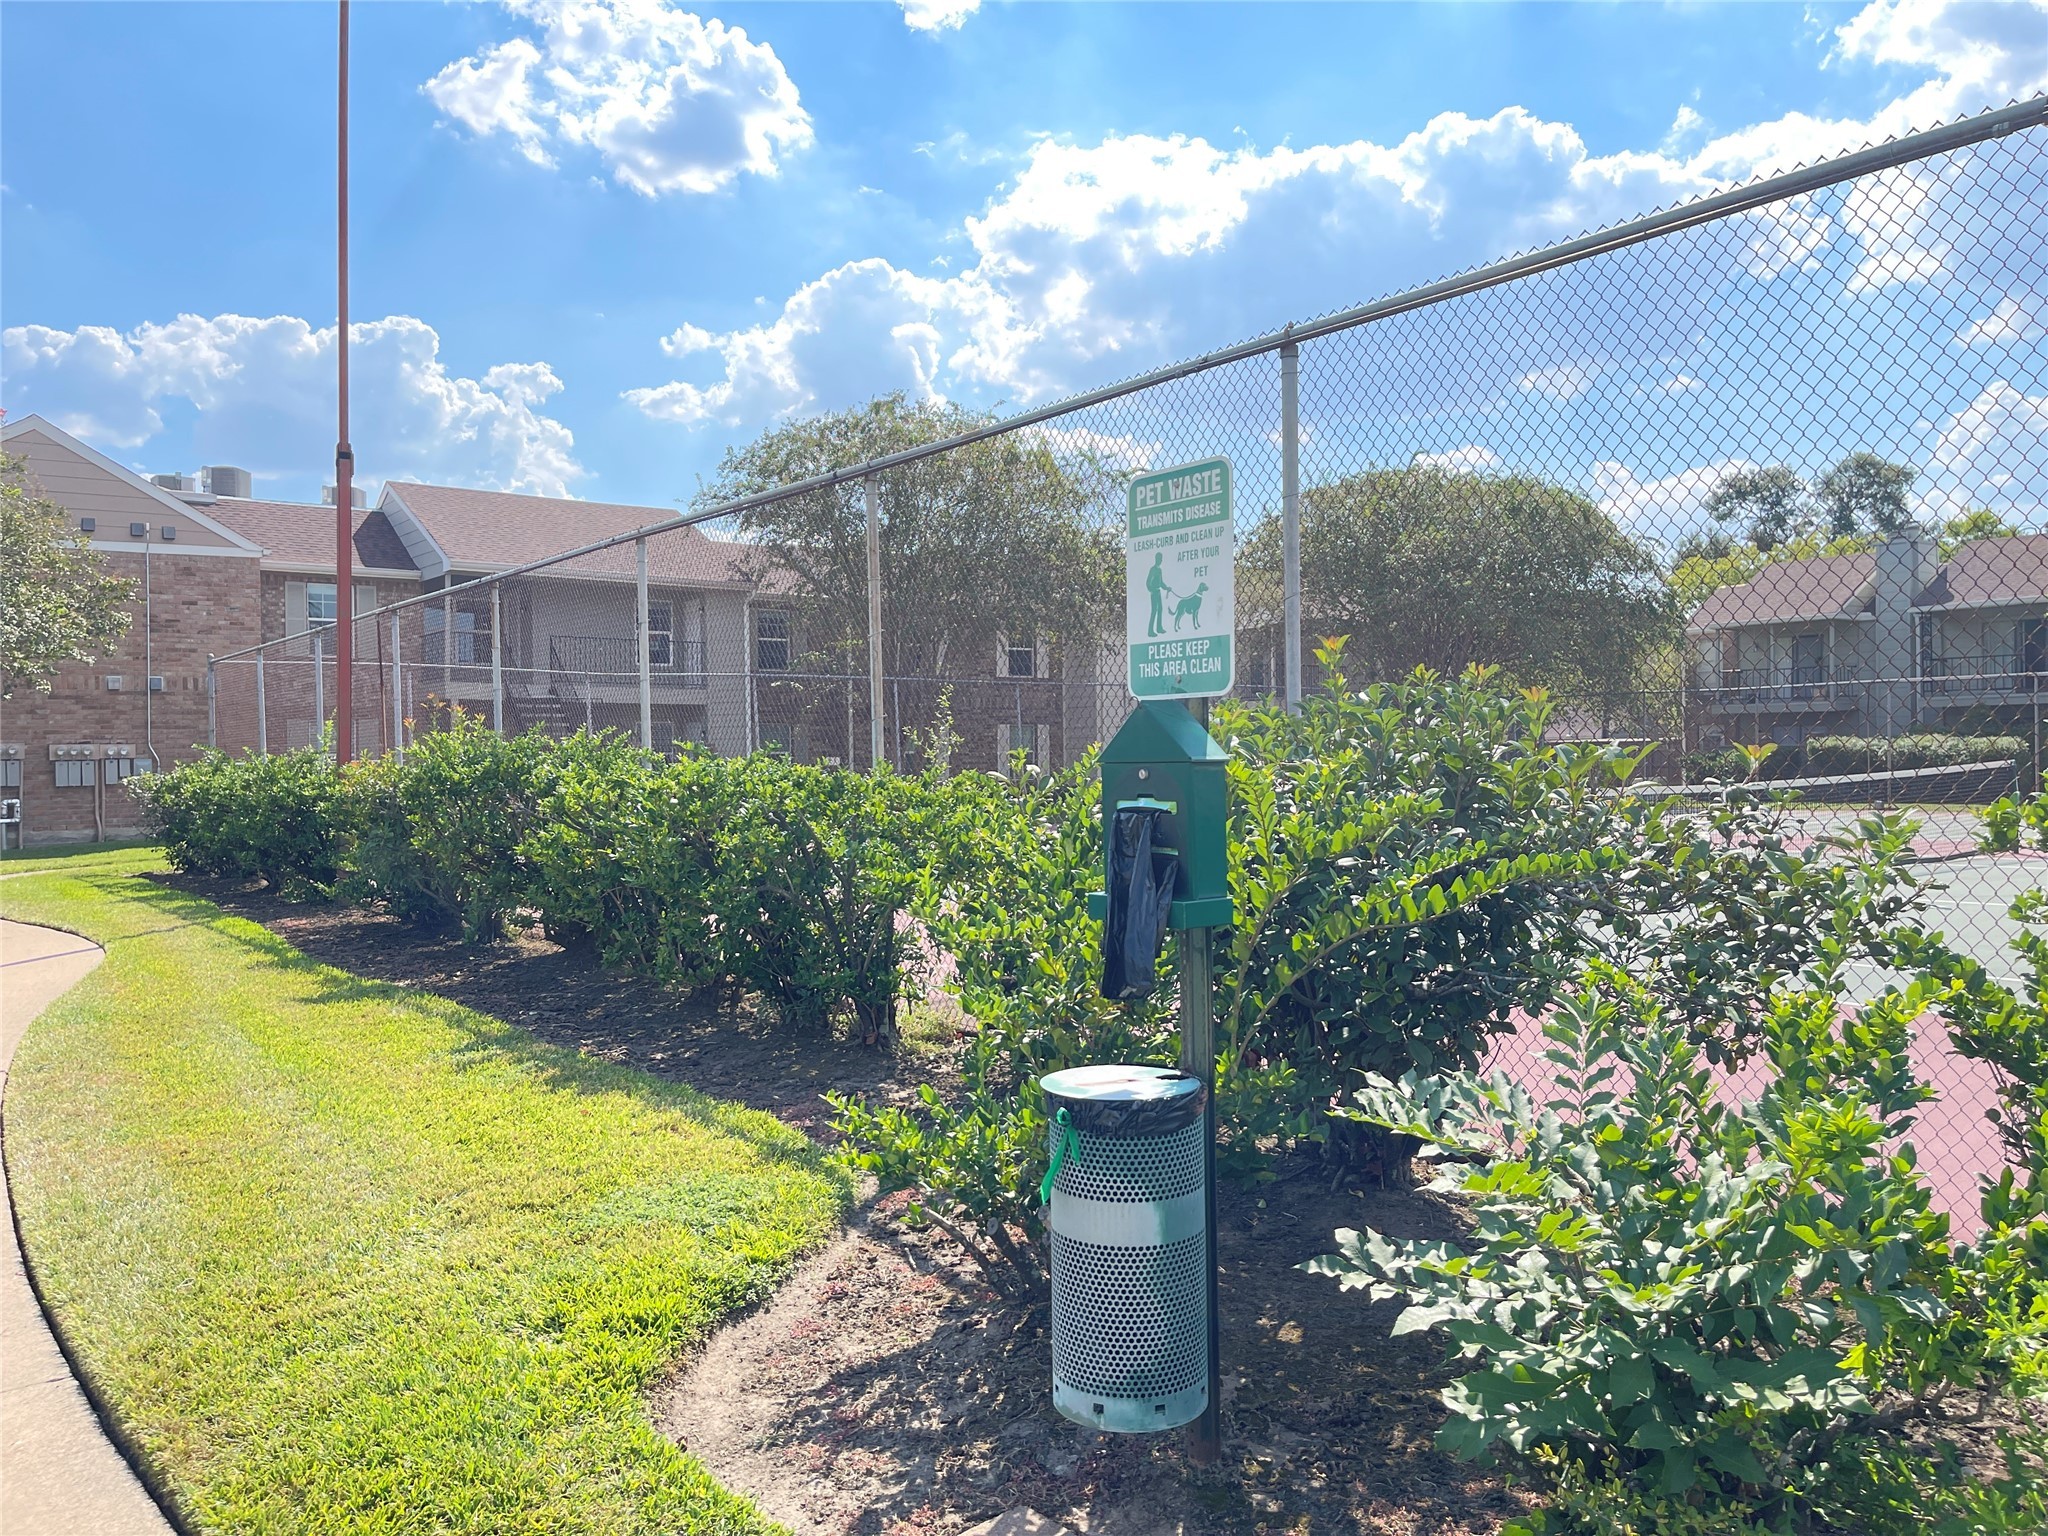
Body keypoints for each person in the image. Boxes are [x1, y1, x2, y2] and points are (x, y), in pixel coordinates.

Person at [1145, 551, 1171, 637]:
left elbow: (1161, 582)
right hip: (1154, 593)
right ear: (1156, 559)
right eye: (1159, 559)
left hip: (1158, 592)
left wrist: (1166, 588)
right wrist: (1151, 590)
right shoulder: (1153, 569)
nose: (1160, 561)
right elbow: (1148, 582)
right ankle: (1150, 631)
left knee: (1160, 609)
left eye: (1161, 559)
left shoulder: (1159, 570)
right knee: (1154, 611)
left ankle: (1159, 628)